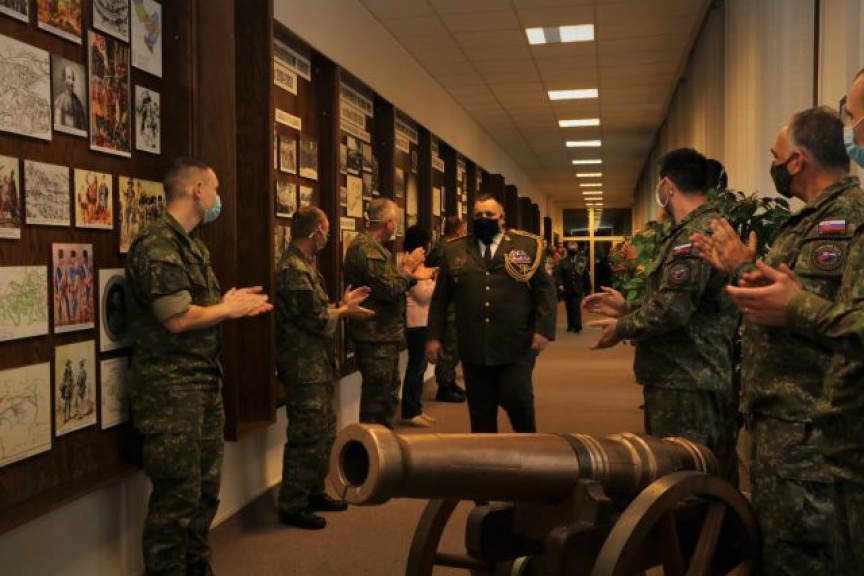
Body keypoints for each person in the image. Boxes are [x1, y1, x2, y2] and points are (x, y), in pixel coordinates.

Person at [690, 107, 860, 576]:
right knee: (777, 546)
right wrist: (741, 267)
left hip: (807, 427)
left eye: (775, 154)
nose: (774, 164)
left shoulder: (844, 221)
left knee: (800, 554)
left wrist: (742, 269)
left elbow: (810, 311)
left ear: (797, 160)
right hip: (784, 423)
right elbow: (787, 301)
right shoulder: (808, 221)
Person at [126, 157, 273, 576]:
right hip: (170, 392)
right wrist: (226, 309)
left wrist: (228, 305)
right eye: (215, 188)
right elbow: (176, 319)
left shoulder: (192, 245)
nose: (217, 197)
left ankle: (196, 566)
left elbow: (198, 310)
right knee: (176, 497)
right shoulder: (158, 245)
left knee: (205, 490)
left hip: (202, 383)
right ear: (197, 190)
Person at [583, 148, 740, 483]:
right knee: (702, 474)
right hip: (687, 374)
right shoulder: (698, 228)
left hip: (687, 380)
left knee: (688, 478)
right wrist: (629, 309)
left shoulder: (694, 235)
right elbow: (685, 303)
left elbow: (673, 310)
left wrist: (622, 327)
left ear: (667, 186)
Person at [275, 205, 373, 530]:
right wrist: (344, 310)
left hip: (317, 366)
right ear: (315, 231)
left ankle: (314, 491)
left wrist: (342, 306)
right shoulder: (293, 270)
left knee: (324, 433)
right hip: (303, 369)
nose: (328, 237)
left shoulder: (306, 267)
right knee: (306, 436)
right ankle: (292, 504)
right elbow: (316, 319)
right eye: (326, 231)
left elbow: (317, 310)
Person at [426, 193, 557, 433]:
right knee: (481, 411)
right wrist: (434, 336)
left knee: (516, 396)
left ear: (502, 217)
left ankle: (529, 443)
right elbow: (440, 298)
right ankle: (485, 453)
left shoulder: (526, 246)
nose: (483, 218)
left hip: (517, 342)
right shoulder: (455, 250)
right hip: (474, 344)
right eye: (478, 215)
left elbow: (545, 291)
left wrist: (544, 329)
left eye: (489, 214)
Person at [343, 198, 434, 428]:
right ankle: (372, 446)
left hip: (383, 334)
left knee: (388, 393)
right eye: (396, 221)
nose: (397, 226)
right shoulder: (367, 249)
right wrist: (407, 270)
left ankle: (383, 442)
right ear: (389, 222)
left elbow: (391, 282)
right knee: (377, 400)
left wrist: (410, 275)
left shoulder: (377, 248)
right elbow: (390, 289)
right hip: (375, 336)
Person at [424, 216, 467, 403]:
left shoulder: (444, 247)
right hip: (447, 303)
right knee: (449, 346)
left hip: (454, 303)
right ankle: (444, 386)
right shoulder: (444, 249)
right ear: (457, 230)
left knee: (454, 347)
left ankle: (449, 382)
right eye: (463, 229)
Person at [400, 225, 439, 427]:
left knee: (421, 367)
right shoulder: (411, 265)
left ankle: (416, 408)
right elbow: (424, 295)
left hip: (424, 322)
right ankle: (410, 411)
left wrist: (432, 279)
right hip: (416, 324)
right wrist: (437, 282)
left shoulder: (419, 264)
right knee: (416, 368)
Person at [558, 242, 589, 333]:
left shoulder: (582, 260)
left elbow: (585, 276)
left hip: (578, 287)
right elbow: (559, 274)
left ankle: (577, 326)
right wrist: (560, 284)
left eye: (574, 249)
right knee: (569, 307)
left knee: (576, 306)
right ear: (568, 250)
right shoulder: (563, 261)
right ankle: (570, 325)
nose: (572, 250)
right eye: (570, 249)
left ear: (577, 250)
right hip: (567, 288)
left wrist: (587, 288)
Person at [54, 65, 86, 132]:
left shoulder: (78, 103)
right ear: (64, 80)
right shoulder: (59, 100)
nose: (72, 82)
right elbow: (57, 125)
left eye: (73, 78)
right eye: (69, 78)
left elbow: (83, 127)